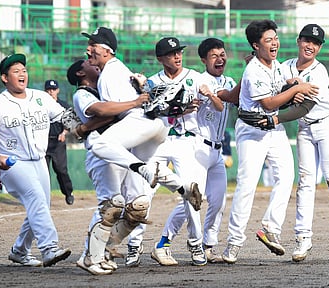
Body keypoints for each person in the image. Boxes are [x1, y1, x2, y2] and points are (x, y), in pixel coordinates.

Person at [216, 19, 319, 264]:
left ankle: (270, 228)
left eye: (275, 38)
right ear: (256, 45)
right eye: (268, 40)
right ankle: (233, 244)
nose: (274, 43)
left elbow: (285, 83)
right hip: (252, 131)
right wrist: (296, 90)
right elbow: (268, 104)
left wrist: (293, 83)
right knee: (247, 185)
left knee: (286, 176)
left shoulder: (276, 65)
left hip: (274, 130)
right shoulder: (254, 70)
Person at [264, 24, 329, 261]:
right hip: (306, 127)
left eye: (316, 43)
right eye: (307, 40)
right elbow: (265, 70)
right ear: (298, 41)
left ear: (319, 48)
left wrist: (278, 112)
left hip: (328, 122)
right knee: (305, 180)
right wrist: (289, 87)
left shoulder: (319, 72)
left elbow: (301, 107)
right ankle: (303, 237)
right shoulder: (285, 65)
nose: (311, 46)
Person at [82, 27, 202, 208]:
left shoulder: (108, 74)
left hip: (139, 122)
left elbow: (110, 113)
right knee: (143, 174)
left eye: (93, 45)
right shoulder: (120, 68)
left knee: (99, 145)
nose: (88, 49)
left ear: (107, 51)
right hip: (156, 124)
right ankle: (183, 187)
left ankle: (144, 170)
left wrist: (83, 128)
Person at [0, 53, 71, 267]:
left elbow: (63, 116)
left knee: (40, 205)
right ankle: (49, 248)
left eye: (24, 70)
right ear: (4, 78)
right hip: (14, 163)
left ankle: (20, 250)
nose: (22, 74)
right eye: (16, 71)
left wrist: (86, 126)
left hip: (38, 160)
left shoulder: (40, 97)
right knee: (36, 198)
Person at [148, 37, 230, 267]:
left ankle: (206, 245)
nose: (177, 55)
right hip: (194, 145)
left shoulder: (201, 79)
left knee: (218, 200)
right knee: (192, 197)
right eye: (214, 55)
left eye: (180, 52)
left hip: (216, 149)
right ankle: (165, 243)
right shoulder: (198, 78)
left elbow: (222, 104)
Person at [66, 59, 152, 275]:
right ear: (79, 73)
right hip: (101, 153)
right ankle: (89, 255)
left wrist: (139, 89)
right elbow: (104, 112)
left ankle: (104, 250)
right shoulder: (83, 94)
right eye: (86, 63)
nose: (92, 62)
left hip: (120, 150)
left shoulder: (107, 87)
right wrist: (133, 102)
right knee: (110, 206)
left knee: (135, 206)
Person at [44, 79, 75, 205]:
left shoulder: (63, 106)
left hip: (58, 142)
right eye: (48, 90)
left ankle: (68, 193)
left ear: (58, 90)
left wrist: (64, 133)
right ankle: (43, 198)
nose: (51, 92)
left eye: (53, 89)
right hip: (44, 143)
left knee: (61, 170)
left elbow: (70, 121)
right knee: (43, 173)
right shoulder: (40, 106)